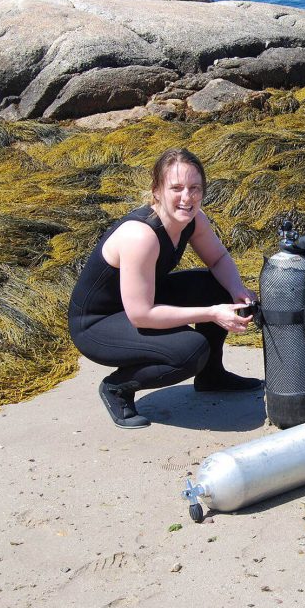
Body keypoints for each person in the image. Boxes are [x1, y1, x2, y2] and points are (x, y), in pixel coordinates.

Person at [68, 148, 262, 429]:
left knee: (218, 287)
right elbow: (141, 314)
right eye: (176, 188)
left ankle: (212, 376)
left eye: (195, 188)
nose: (187, 197)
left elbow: (218, 258)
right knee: (190, 351)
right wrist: (211, 313)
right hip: (97, 324)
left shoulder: (193, 220)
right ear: (156, 191)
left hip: (139, 301)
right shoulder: (141, 236)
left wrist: (237, 290)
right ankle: (117, 388)